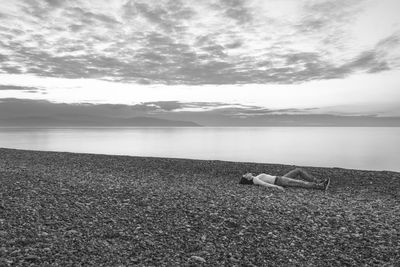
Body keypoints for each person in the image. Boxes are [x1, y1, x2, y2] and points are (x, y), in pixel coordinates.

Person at [239, 167, 330, 191]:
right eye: (245, 175)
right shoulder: (255, 180)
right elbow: (265, 184)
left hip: (280, 178)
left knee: (298, 170)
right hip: (279, 181)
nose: (247, 173)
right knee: (300, 183)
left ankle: (318, 181)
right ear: (247, 179)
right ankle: (321, 186)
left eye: (246, 173)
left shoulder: (255, 177)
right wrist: (277, 187)